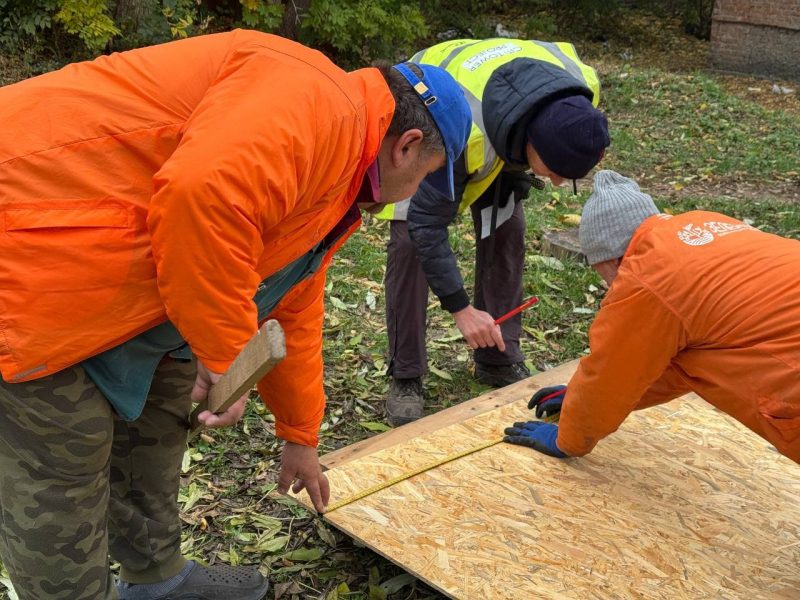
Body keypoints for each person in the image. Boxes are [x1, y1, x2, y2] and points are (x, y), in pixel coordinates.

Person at [0, 30, 471, 600]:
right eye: (425, 176)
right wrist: (226, 352)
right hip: (28, 257)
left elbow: (292, 303)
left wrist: (299, 434)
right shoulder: (315, 100)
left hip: (107, 271)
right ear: (406, 145)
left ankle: (157, 580)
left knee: (161, 414)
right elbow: (200, 197)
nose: (413, 192)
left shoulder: (337, 175)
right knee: (65, 459)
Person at [377, 38, 610, 426]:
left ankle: (497, 357)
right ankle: (406, 374)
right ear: (533, 142)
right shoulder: (464, 130)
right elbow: (426, 224)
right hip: (431, 110)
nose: (555, 183)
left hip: (507, 120)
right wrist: (461, 309)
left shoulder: (582, 89)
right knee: (408, 244)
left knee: (507, 224)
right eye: (554, 171)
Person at [504, 170, 800, 465]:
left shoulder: (647, 276)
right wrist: (579, 400)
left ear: (612, 258)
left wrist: (567, 438)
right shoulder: (705, 225)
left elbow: (613, 372)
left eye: (602, 273)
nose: (609, 286)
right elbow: (670, 363)